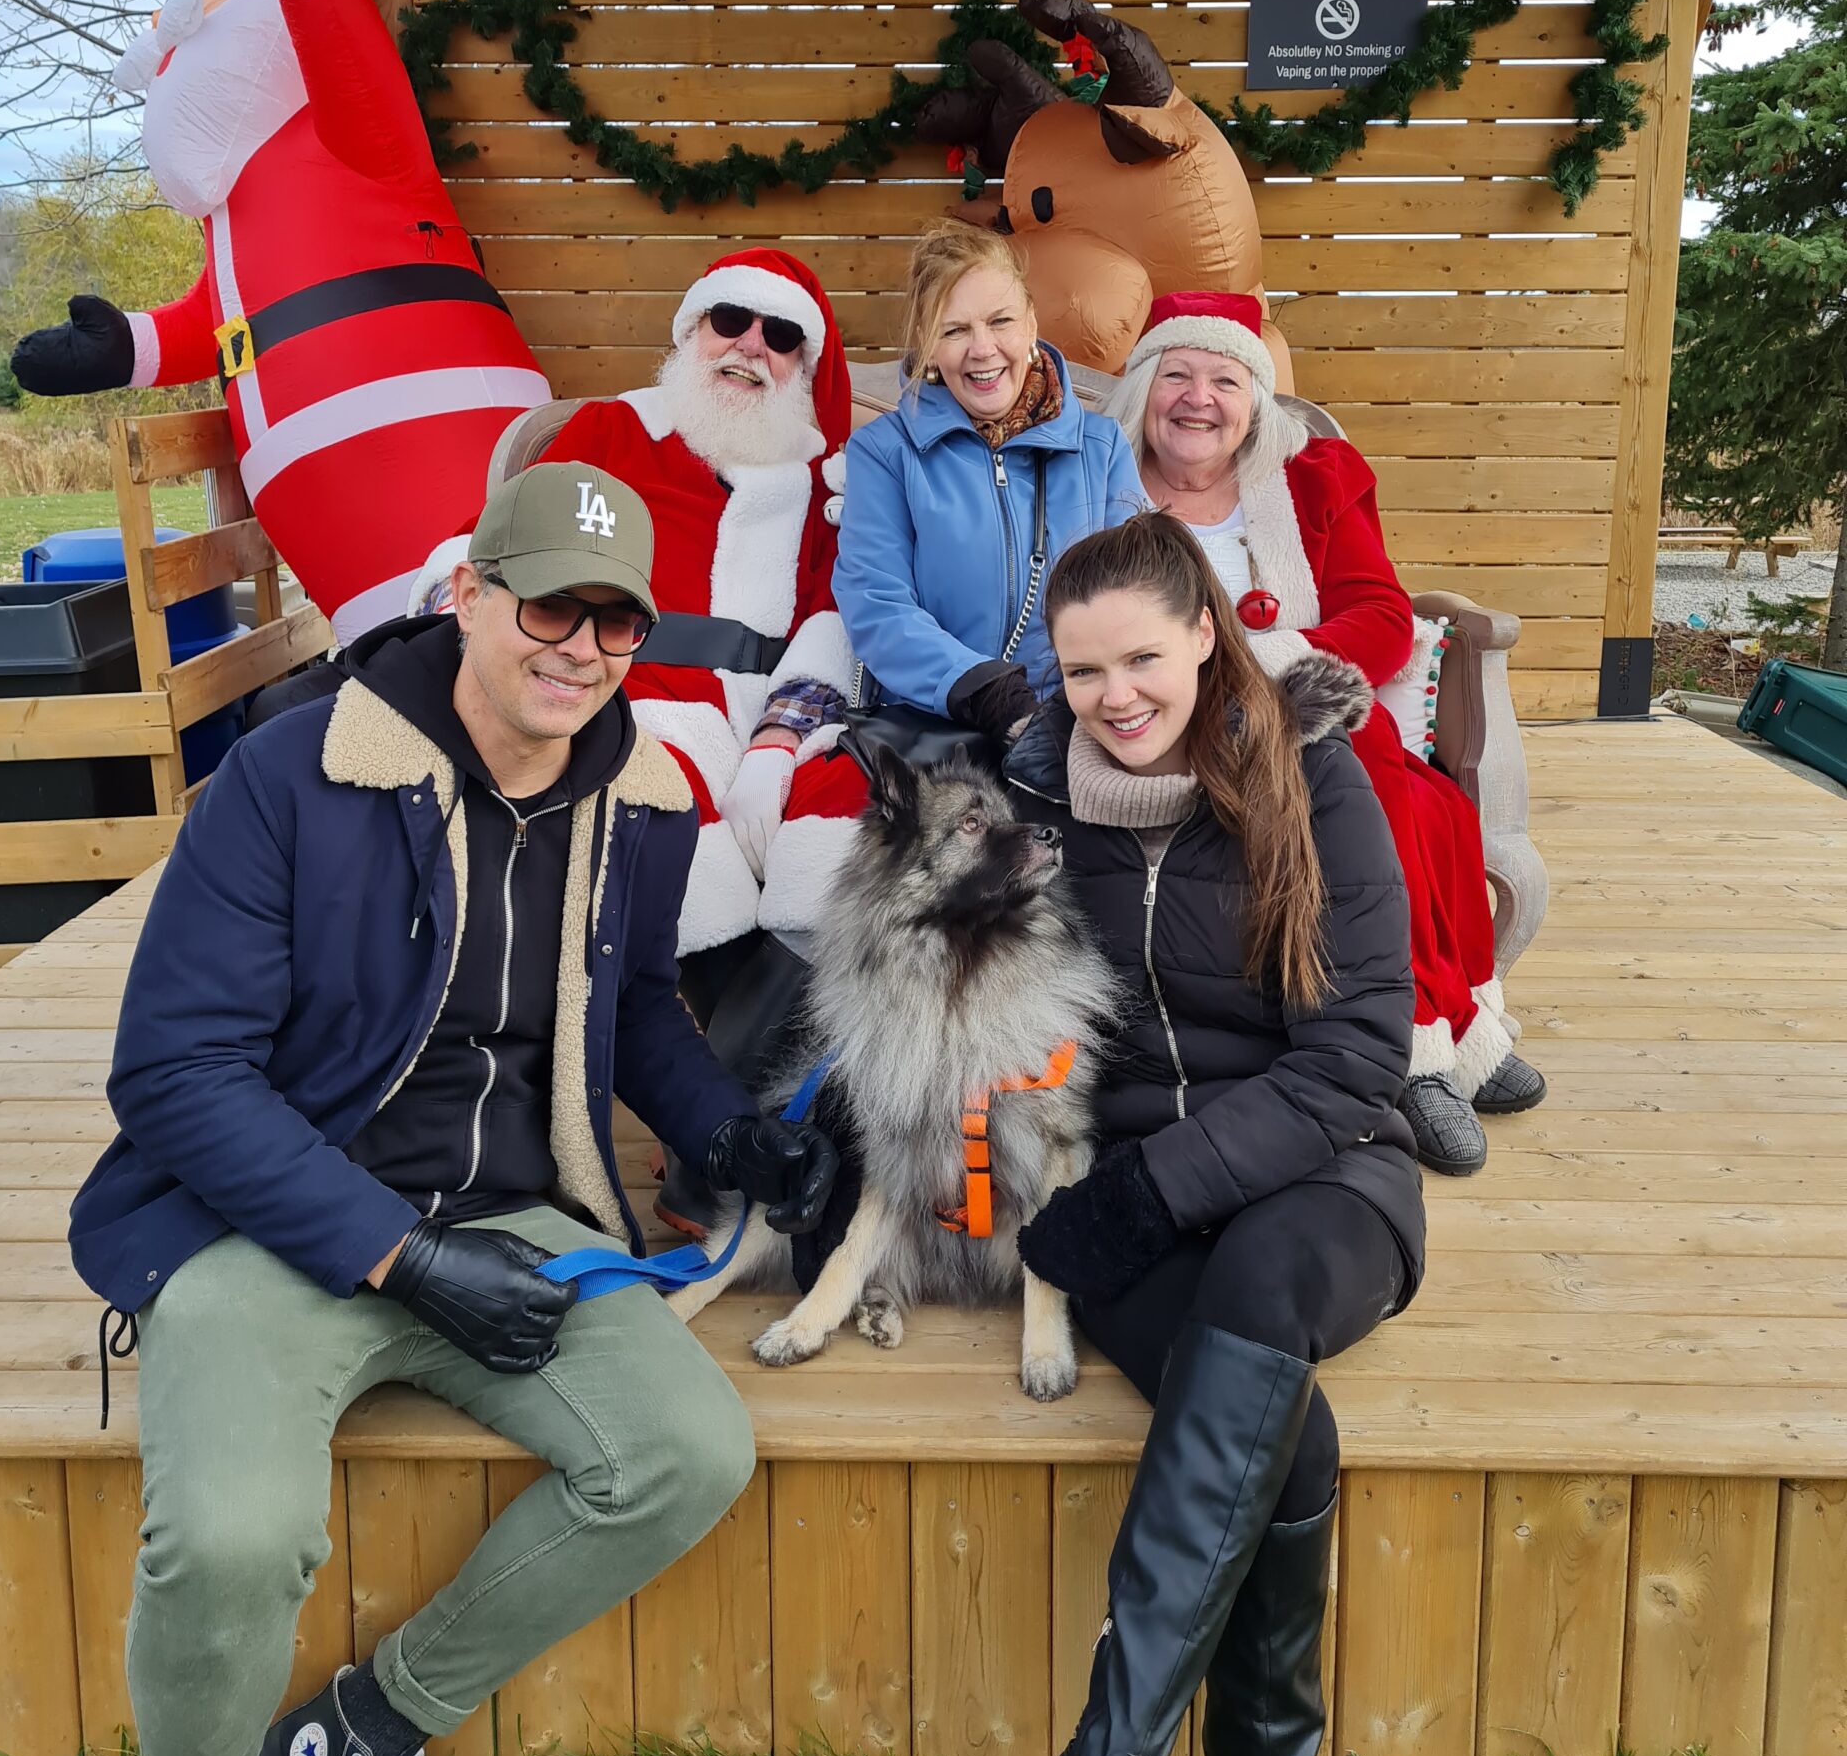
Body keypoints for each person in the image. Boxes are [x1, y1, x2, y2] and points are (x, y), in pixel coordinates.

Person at [69, 462, 838, 1756]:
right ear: (472, 593)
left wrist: (731, 1136)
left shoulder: (638, 795)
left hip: (514, 1211)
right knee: (230, 1536)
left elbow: (635, 1018)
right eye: (554, 604)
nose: (584, 651)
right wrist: (400, 1260)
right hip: (274, 1218)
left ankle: (357, 1738)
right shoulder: (291, 776)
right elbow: (175, 1077)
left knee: (684, 1453)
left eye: (620, 624)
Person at [1004, 511, 1423, 1756]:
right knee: (1285, 1443)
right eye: (1078, 673)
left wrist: (1150, 1188)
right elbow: (971, 1016)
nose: (1113, 697)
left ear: (1204, 632)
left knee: (1259, 1294)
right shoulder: (1034, 807)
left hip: (1323, 1174)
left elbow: (1360, 1051)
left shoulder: (1312, 775)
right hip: (1117, 1197)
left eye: (1140, 657)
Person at [1107, 291, 1543, 1177]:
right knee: (1364, 783)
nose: (1199, 398)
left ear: (1255, 400)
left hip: (1302, 697)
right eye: (1177, 374)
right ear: (1144, 387)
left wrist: (1274, 656)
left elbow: (1380, 612)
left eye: (1225, 379)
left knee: (1407, 797)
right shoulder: (1093, 478)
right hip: (1162, 715)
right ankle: (1411, 1059)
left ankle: (1444, 1030)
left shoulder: (1310, 477)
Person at [536, 247, 868, 959]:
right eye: (730, 319)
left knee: (848, 822)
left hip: (775, 713)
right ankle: (669, 1033)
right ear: (693, 332)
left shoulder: (825, 476)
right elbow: (507, 547)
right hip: (634, 696)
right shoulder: (614, 430)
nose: (751, 345)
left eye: (780, 336)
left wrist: (781, 740)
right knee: (661, 818)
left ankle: (810, 1039)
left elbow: (834, 613)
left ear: (801, 365)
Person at [832, 221, 1143, 729]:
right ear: (928, 345)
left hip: (1083, 725)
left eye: (1000, 321)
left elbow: (1139, 594)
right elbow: (875, 601)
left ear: (1031, 325)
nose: (982, 349)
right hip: (937, 730)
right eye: (954, 330)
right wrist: (980, 689)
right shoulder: (885, 452)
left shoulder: (1100, 448)